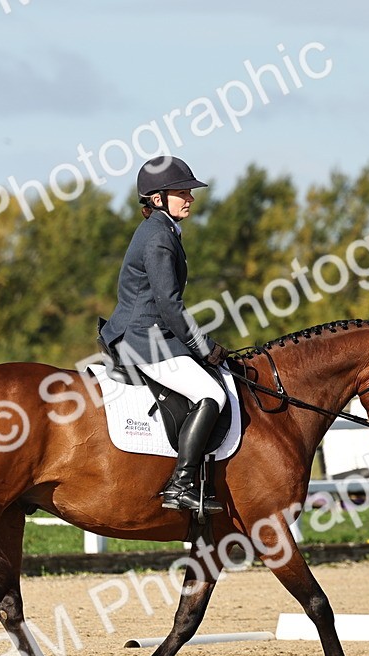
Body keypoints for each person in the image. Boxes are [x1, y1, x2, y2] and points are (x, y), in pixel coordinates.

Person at [99, 156, 230, 514]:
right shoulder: (158, 237)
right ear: (157, 198)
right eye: (181, 191)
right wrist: (202, 346)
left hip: (148, 331)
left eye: (189, 191)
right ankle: (181, 484)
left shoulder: (163, 230)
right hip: (144, 337)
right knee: (211, 393)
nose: (190, 197)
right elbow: (170, 304)